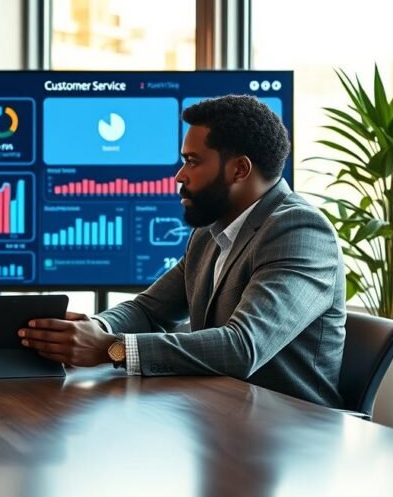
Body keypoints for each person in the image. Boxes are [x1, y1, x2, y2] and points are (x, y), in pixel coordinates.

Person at [19, 95, 346, 408]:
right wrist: (91, 331)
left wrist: (112, 349)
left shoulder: (300, 231)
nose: (179, 175)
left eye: (193, 161)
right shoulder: (209, 232)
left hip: (291, 432)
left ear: (239, 169)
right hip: (221, 414)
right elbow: (149, 311)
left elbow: (242, 347)